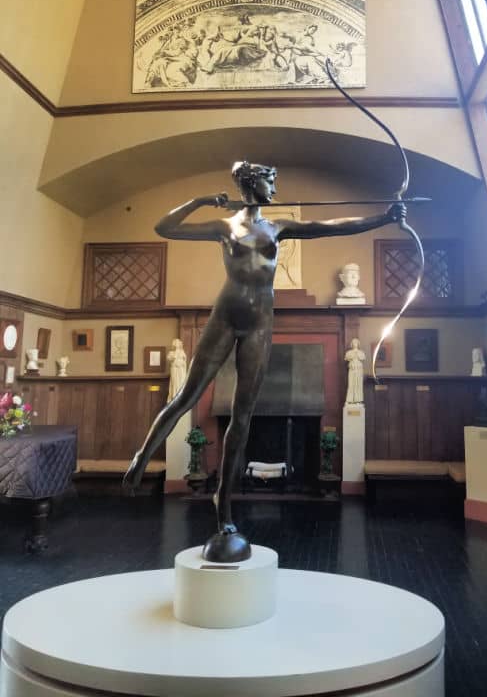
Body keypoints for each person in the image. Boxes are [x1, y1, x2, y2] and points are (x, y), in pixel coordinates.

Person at [123, 160, 403, 562]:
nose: (275, 185)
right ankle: (141, 456)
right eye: (270, 179)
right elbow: (164, 228)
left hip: (259, 323)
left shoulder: (276, 227)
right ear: (251, 183)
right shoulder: (225, 226)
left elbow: (334, 226)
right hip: (226, 314)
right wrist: (201, 200)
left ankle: (224, 506)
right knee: (187, 394)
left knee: (244, 413)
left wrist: (384, 217)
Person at [344, 338, 366, 404]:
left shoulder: (361, 353)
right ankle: (349, 400)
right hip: (352, 369)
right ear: (352, 344)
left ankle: (358, 400)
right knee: (351, 384)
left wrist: (357, 354)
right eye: (353, 342)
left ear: (358, 344)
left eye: (356, 342)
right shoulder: (349, 353)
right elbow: (347, 358)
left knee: (358, 384)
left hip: (359, 369)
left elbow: (363, 358)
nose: (355, 344)